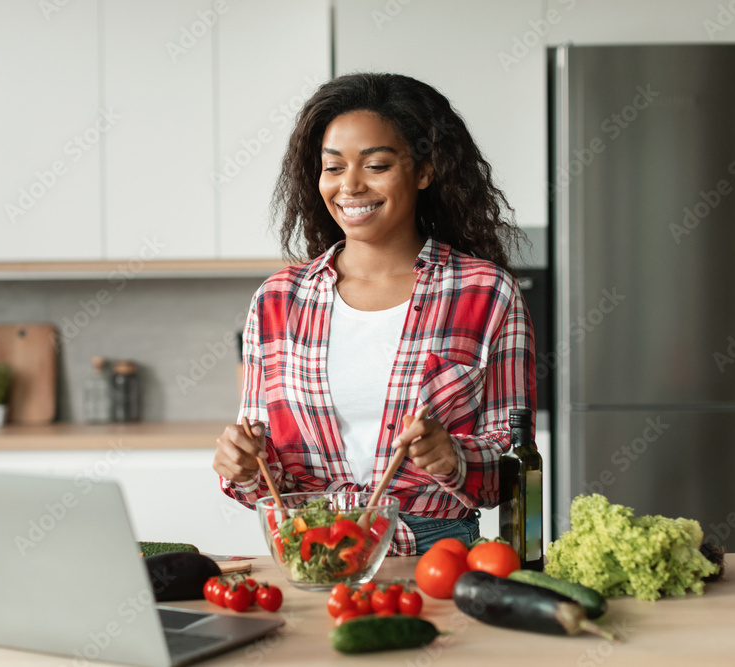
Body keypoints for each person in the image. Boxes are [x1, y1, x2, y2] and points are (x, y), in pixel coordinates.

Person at [212, 72, 535, 555]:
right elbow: (265, 471)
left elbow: (515, 467)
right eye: (333, 168)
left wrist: (454, 456)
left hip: (436, 560)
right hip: (312, 554)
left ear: (425, 171)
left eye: (377, 165)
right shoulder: (279, 299)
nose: (351, 186)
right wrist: (241, 465)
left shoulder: (486, 293)